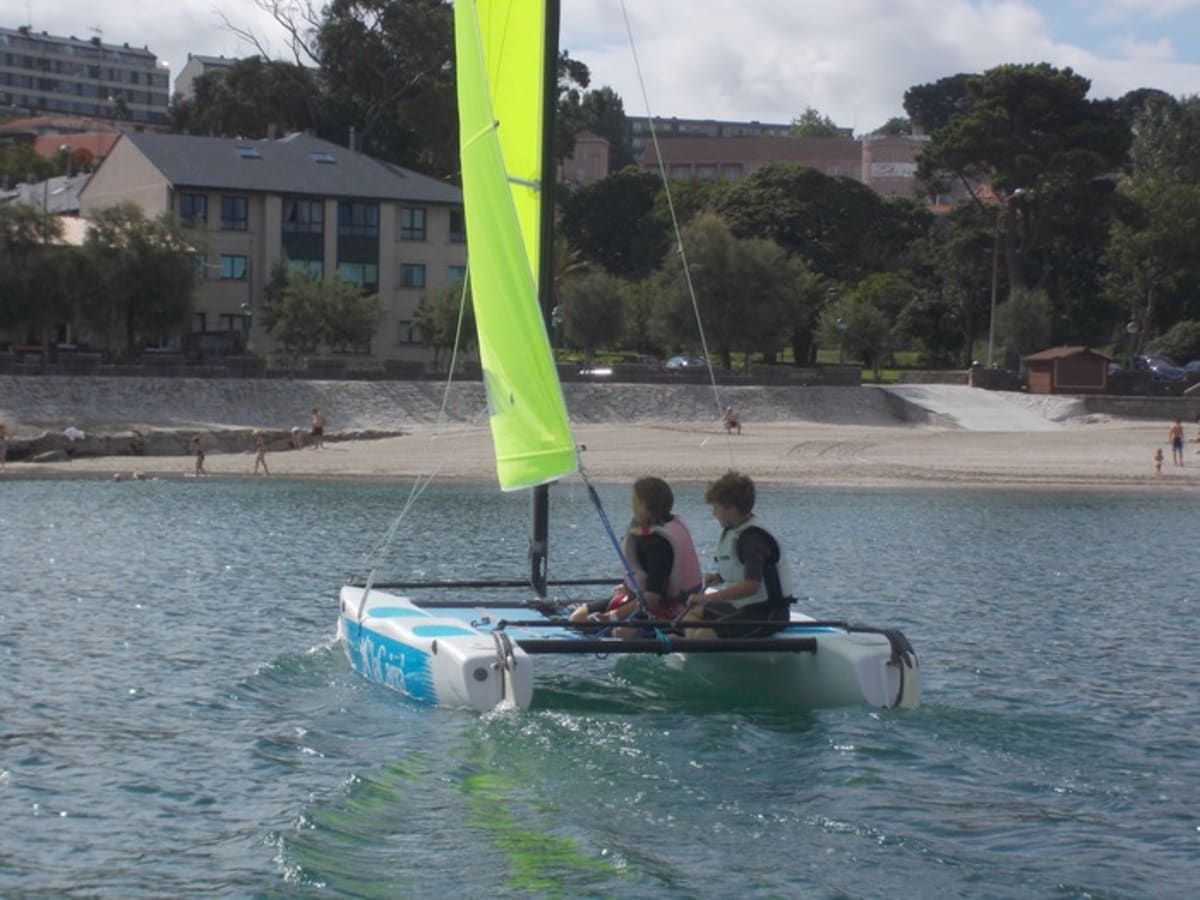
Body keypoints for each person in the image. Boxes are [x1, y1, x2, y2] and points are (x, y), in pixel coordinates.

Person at [570, 476, 702, 638]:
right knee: (578, 617)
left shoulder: (658, 544)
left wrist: (611, 617)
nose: (631, 503)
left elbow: (653, 599)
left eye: (635, 500)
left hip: (669, 610)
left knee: (622, 632)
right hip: (640, 600)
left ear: (647, 507)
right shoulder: (650, 530)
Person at [677, 470, 794, 640]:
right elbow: (741, 569)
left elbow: (751, 585)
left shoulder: (753, 540)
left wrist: (707, 598)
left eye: (716, 508)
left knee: (704, 634)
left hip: (768, 614)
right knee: (692, 614)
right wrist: (719, 577)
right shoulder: (737, 532)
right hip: (745, 608)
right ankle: (691, 646)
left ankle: (693, 645)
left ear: (731, 508)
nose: (714, 514)